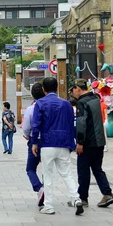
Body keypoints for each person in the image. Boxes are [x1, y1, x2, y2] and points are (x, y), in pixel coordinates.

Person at [31, 77, 83, 216]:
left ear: (43, 89)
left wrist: (34, 142)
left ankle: (48, 205)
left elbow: (36, 125)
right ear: (57, 88)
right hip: (64, 142)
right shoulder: (66, 104)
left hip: (47, 142)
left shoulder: (40, 103)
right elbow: (72, 124)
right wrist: (72, 142)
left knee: (47, 175)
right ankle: (76, 199)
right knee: (67, 174)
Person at [71, 79, 113, 209]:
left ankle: (83, 198)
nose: (73, 92)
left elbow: (81, 123)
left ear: (78, 89)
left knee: (83, 170)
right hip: (99, 141)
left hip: (88, 142)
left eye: (73, 89)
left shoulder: (82, 103)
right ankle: (107, 194)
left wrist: (80, 142)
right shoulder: (95, 99)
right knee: (97, 169)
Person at [22, 82, 45, 207]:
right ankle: (47, 190)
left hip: (35, 140)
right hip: (49, 140)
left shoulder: (31, 109)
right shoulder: (50, 106)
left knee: (30, 168)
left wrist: (28, 136)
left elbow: (26, 127)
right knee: (47, 168)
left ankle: (39, 187)